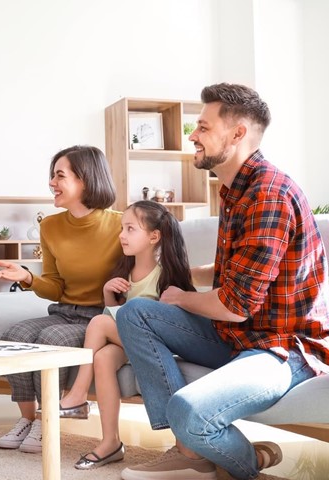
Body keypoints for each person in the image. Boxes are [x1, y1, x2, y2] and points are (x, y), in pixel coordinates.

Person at [116, 83, 329, 480]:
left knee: (190, 410)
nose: (193, 136)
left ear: (237, 134)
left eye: (203, 127)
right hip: (239, 337)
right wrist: (184, 278)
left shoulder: (269, 194)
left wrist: (180, 298)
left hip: (282, 348)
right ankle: (189, 453)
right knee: (135, 313)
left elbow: (235, 306)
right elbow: (243, 272)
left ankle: (245, 462)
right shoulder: (233, 190)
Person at [0, 145, 124, 454]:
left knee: (51, 338)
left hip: (99, 318)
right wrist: (27, 277)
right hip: (64, 310)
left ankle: (48, 420)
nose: (52, 182)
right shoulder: (50, 226)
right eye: (52, 175)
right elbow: (55, 287)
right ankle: (29, 419)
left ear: (86, 181)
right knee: (15, 336)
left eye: (59, 175)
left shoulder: (120, 225)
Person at [58, 200, 195, 470]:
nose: (122, 235)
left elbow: (170, 322)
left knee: (97, 324)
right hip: (127, 342)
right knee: (104, 358)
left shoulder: (166, 274)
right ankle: (110, 442)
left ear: (154, 236)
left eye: (130, 229)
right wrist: (109, 293)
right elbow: (118, 315)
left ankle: (78, 394)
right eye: (122, 228)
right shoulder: (126, 271)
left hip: (155, 346)